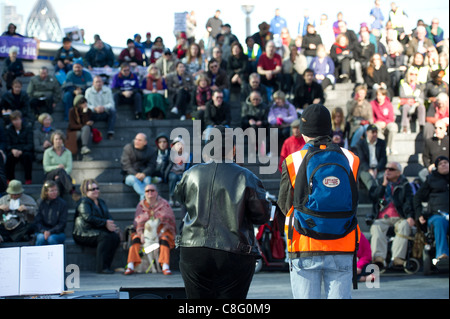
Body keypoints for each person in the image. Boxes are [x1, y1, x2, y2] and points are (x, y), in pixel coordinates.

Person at [174, 125, 271, 299]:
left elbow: (179, 196)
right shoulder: (246, 176)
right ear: (234, 149)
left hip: (193, 248)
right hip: (233, 249)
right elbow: (262, 215)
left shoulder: (191, 173)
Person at [277, 103, 360, 299]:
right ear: (329, 128)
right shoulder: (351, 159)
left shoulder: (292, 161)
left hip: (304, 243)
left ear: (304, 132)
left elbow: (284, 203)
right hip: (343, 241)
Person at [367, 161, 416, 270]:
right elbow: (373, 197)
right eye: (386, 168)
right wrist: (383, 185)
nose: (387, 171)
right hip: (382, 217)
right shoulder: (379, 182)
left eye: (391, 169)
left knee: (404, 225)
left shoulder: (404, 184)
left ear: (399, 172)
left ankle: (398, 259)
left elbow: (409, 201)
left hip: (399, 216)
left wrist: (409, 216)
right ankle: (379, 259)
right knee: (376, 226)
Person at [124, 183, 177, 275]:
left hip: (161, 230)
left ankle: (165, 266)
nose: (150, 193)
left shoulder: (164, 204)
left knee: (165, 239)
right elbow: (138, 222)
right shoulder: (141, 205)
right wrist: (141, 234)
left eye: (152, 190)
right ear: (144, 193)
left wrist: (161, 231)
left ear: (156, 192)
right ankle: (130, 265)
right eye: (147, 191)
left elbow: (169, 220)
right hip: (145, 232)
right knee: (135, 238)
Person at [73, 179, 121, 274]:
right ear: (85, 191)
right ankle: (101, 267)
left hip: (97, 230)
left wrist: (112, 225)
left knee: (115, 237)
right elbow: (88, 217)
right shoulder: (84, 202)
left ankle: (107, 265)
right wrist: (105, 223)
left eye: (97, 188)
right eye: (92, 189)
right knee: (105, 237)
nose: (96, 191)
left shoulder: (101, 202)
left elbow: (107, 216)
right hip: (83, 232)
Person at [414, 156, 449, 265]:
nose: (443, 164)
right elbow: (417, 198)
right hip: (437, 214)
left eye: (446, 162)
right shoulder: (431, 179)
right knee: (439, 222)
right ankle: (442, 255)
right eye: (440, 164)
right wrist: (419, 214)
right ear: (436, 167)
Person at [43, 130, 79, 201]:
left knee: (59, 180)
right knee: (60, 170)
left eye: (60, 139)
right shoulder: (47, 152)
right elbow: (46, 167)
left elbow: (69, 168)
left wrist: (61, 175)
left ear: (62, 140)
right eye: (56, 139)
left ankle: (58, 202)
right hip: (49, 175)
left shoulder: (68, 152)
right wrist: (57, 168)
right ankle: (72, 191)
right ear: (52, 140)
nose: (58, 141)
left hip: (63, 176)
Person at [121, 133, 157, 200]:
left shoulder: (151, 151)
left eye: (140, 140)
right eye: (136, 139)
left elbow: (152, 166)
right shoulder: (128, 148)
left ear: (145, 142)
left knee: (147, 181)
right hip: (130, 175)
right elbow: (126, 165)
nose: (136, 141)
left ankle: (143, 204)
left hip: (145, 175)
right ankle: (145, 196)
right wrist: (136, 174)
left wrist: (144, 174)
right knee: (134, 180)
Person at [34, 181, 68, 246]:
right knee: (41, 238)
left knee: (52, 239)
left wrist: (50, 231)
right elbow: (37, 221)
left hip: (58, 232)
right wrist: (44, 231)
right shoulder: (40, 203)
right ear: (46, 192)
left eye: (56, 190)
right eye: (52, 191)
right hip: (42, 231)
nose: (55, 192)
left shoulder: (62, 204)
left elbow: (62, 223)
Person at [354, 124, 387, 191]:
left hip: (379, 168)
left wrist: (376, 169)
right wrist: (370, 170)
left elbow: (383, 159)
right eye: (372, 132)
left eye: (376, 132)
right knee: (370, 181)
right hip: (365, 169)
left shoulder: (381, 142)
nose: (375, 134)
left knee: (384, 179)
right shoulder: (360, 144)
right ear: (367, 133)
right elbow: (361, 159)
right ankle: (374, 196)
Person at [5, 111, 33, 184]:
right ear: (12, 121)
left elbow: (30, 144)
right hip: (13, 151)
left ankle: (28, 179)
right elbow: (7, 144)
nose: (16, 122)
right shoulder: (9, 129)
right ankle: (11, 180)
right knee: (9, 157)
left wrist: (21, 150)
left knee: (27, 156)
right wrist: (12, 150)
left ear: (21, 119)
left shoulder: (27, 128)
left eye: (17, 119)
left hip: (24, 150)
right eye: (14, 120)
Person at [166, 137, 192, 206]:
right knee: (173, 178)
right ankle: (171, 197)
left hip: (182, 172)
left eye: (181, 145)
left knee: (181, 180)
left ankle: (179, 198)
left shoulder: (187, 155)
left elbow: (188, 166)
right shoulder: (171, 154)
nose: (179, 147)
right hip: (173, 172)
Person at [399, 67, 426, 134]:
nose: (413, 76)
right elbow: (402, 95)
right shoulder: (403, 83)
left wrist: (412, 99)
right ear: (408, 74)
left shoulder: (420, 85)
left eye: (415, 74)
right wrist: (414, 97)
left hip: (416, 105)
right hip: (406, 104)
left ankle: (421, 127)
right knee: (406, 107)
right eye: (411, 74)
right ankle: (404, 127)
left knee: (421, 107)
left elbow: (421, 98)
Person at [371, 88, 398, 154]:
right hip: (377, 124)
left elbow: (391, 118)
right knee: (375, 127)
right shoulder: (372, 104)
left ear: (384, 96)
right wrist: (376, 122)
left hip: (387, 124)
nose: (379, 97)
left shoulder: (388, 104)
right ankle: (382, 147)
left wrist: (385, 123)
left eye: (381, 95)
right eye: (378, 95)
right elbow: (371, 117)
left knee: (393, 126)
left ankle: (390, 147)